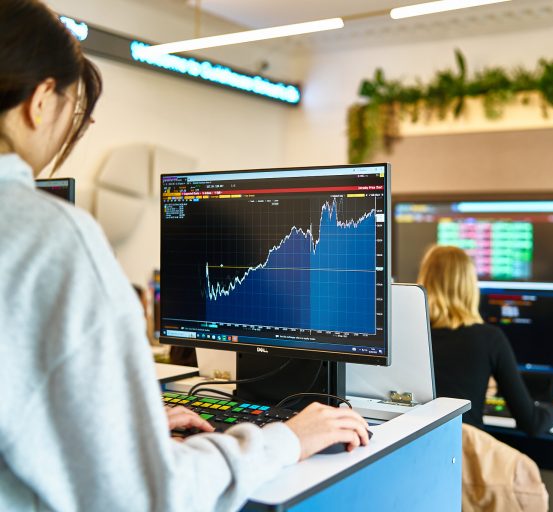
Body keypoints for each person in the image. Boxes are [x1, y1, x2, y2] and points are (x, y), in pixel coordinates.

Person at [0, 2, 368, 510]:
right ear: (41, 100)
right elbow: (143, 495)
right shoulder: (51, 238)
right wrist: (287, 439)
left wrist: (124, 429)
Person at [417, 245, 553, 436]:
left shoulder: (409, 336)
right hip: (461, 456)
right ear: (469, 286)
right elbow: (531, 422)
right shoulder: (488, 338)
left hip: (410, 452)